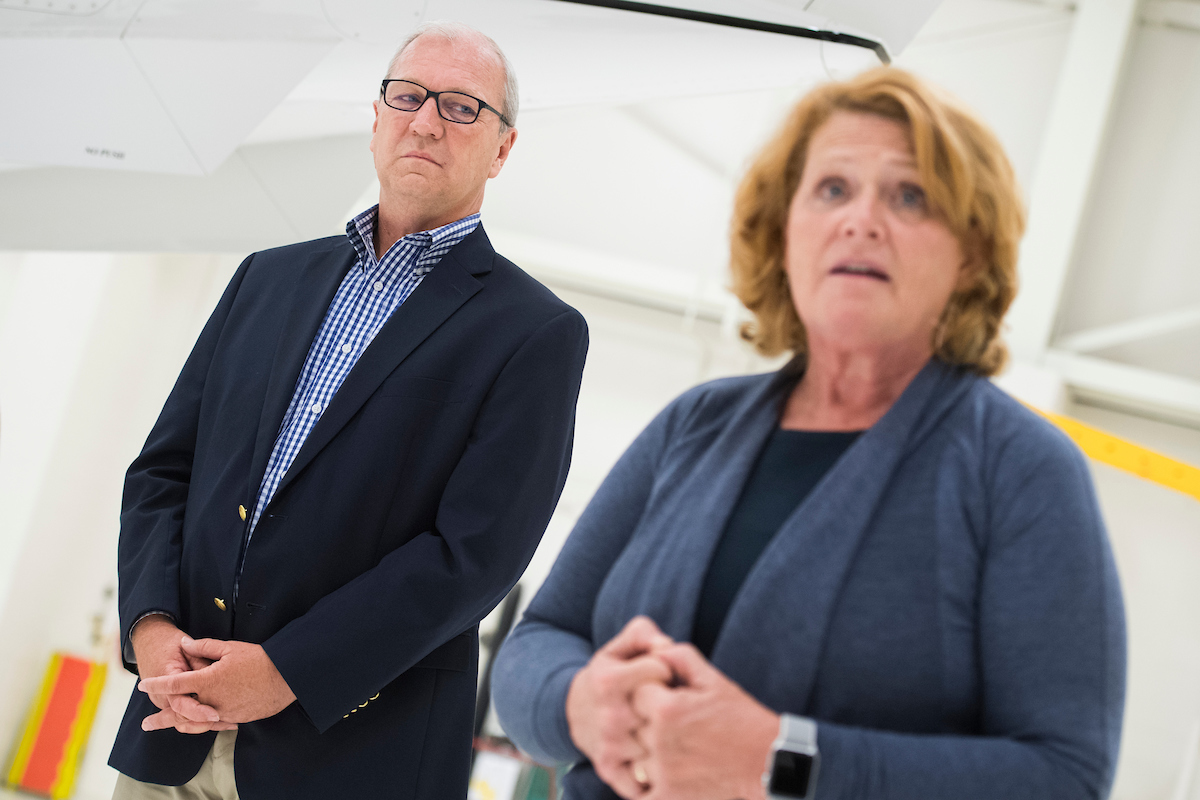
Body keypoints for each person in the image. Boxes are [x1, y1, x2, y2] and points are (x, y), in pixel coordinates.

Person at [491, 67, 1125, 800]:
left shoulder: (1022, 472)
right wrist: (579, 703)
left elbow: (1066, 778)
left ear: (971, 254)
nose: (861, 219)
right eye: (831, 189)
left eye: (909, 195)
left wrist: (784, 762)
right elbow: (534, 644)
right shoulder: (692, 426)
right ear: (782, 229)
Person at [109, 21, 588, 800]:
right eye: (409, 96)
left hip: (353, 755)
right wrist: (151, 629)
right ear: (376, 118)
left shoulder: (534, 333)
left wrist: (288, 672)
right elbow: (165, 470)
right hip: (174, 729)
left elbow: (473, 557)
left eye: (463, 107)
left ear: (502, 150)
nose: (427, 120)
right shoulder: (265, 279)